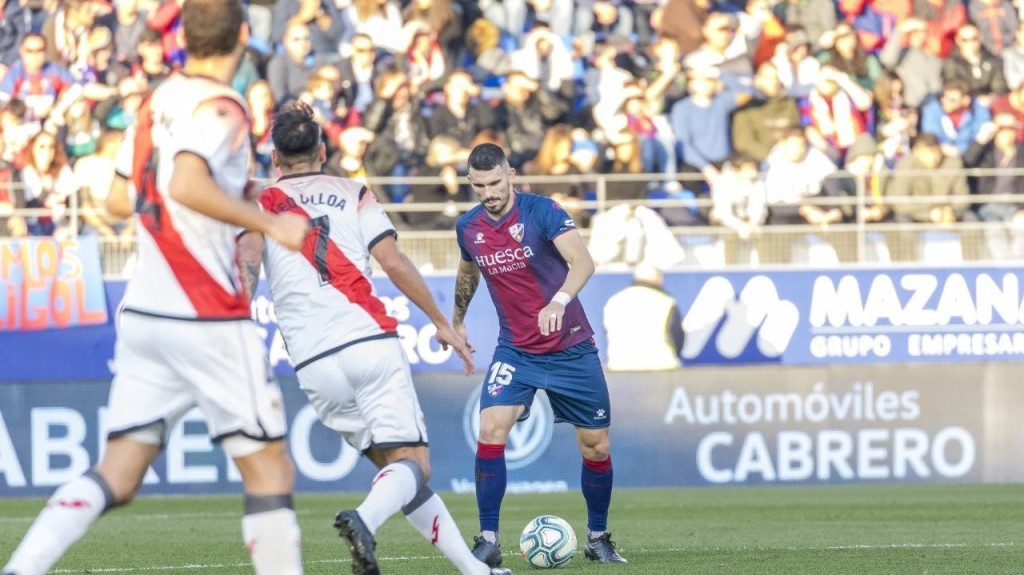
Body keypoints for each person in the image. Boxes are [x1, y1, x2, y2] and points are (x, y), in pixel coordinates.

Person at [1, 2, 311, 574]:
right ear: (244, 35)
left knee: (118, 475)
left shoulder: (153, 101)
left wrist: (213, 202)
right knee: (270, 471)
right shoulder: (223, 105)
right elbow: (186, 182)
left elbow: (118, 199)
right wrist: (270, 222)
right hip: (206, 313)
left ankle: (21, 568)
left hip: (144, 307)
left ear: (183, 37)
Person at [236, 101, 512, 575]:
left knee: (398, 470)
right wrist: (441, 323)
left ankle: (475, 570)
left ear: (275, 159)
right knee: (415, 466)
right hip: (368, 341)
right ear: (322, 150)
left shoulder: (259, 203)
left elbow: (246, 270)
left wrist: (235, 340)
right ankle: (363, 520)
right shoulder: (352, 192)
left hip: (312, 363)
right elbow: (394, 262)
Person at [453, 143, 628, 568]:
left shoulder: (542, 211)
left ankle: (597, 537)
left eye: (495, 182)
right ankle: (488, 538)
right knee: (491, 428)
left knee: (596, 447)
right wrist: (456, 320)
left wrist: (559, 301)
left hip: (570, 347)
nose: (488, 192)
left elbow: (583, 262)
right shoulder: (468, 227)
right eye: (479, 186)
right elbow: (468, 271)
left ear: (510, 174)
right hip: (516, 350)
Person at [602, 262, 683, 371]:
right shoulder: (666, 301)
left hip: (620, 368)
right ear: (659, 279)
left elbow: (608, 334)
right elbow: (677, 337)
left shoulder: (614, 301)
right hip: (661, 368)